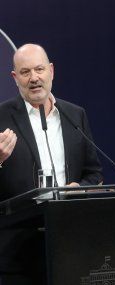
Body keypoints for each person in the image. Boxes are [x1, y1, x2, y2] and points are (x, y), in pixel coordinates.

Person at [0, 44, 103, 284]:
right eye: (25, 72)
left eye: (39, 69)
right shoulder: (1, 117)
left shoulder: (74, 115)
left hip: (70, 245)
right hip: (16, 254)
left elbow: (94, 173)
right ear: (15, 78)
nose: (34, 78)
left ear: (51, 71)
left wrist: (79, 189)